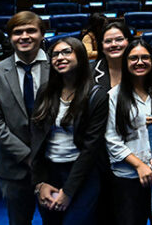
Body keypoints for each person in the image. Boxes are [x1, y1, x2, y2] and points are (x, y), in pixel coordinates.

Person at [30, 37, 108, 225]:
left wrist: (69, 191)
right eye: (55, 54)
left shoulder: (96, 95)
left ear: (80, 56)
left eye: (66, 52)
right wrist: (39, 183)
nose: (60, 57)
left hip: (82, 174)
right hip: (51, 172)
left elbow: (91, 148)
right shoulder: (45, 92)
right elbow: (36, 140)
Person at [0, 11, 50, 224]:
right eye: (17, 32)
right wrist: (28, 157)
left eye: (31, 30)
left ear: (42, 35)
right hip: (13, 167)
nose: (24, 36)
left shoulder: (58, 67)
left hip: (54, 163)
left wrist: (43, 159)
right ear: (10, 38)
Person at [105, 39, 152, 225]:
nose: (139, 62)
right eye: (133, 58)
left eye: (145, 57)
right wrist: (140, 166)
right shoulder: (114, 96)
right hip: (128, 177)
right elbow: (111, 139)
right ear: (126, 62)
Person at [91, 22, 133, 90]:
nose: (113, 44)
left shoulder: (141, 69)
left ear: (129, 42)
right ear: (101, 46)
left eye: (119, 39)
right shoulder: (89, 72)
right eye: (108, 41)